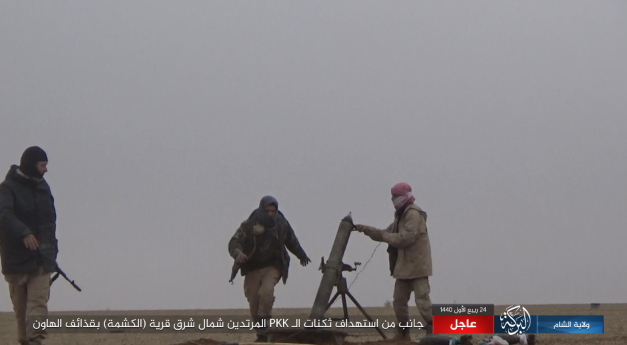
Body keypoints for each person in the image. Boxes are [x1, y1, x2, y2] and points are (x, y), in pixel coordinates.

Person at [354, 182, 433, 341]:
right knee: (399, 303)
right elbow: (387, 232)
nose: (392, 199)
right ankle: (403, 335)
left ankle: (434, 332)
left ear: (403, 197)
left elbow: (405, 238)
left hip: (417, 267)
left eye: (395, 196)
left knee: (423, 302)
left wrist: (384, 236)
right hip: (403, 268)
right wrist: (367, 230)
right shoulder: (401, 215)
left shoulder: (413, 214)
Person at [228, 196, 311, 342]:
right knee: (253, 298)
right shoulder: (249, 224)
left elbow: (291, 239)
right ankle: (261, 333)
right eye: (267, 211)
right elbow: (234, 242)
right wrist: (238, 253)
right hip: (252, 267)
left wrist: (301, 255)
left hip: (274, 265)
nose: (271, 214)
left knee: (266, 293)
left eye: (273, 211)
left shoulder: (281, 223)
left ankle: (265, 327)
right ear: (262, 210)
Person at [0, 146, 58, 345]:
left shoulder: (44, 188)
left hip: (42, 260)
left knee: (38, 303)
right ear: (32, 165)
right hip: (16, 260)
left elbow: (50, 223)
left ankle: (36, 341)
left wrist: (51, 251)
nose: (46, 170)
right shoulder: (7, 188)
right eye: (43, 165)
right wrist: (23, 233)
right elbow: (4, 215)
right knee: (21, 311)